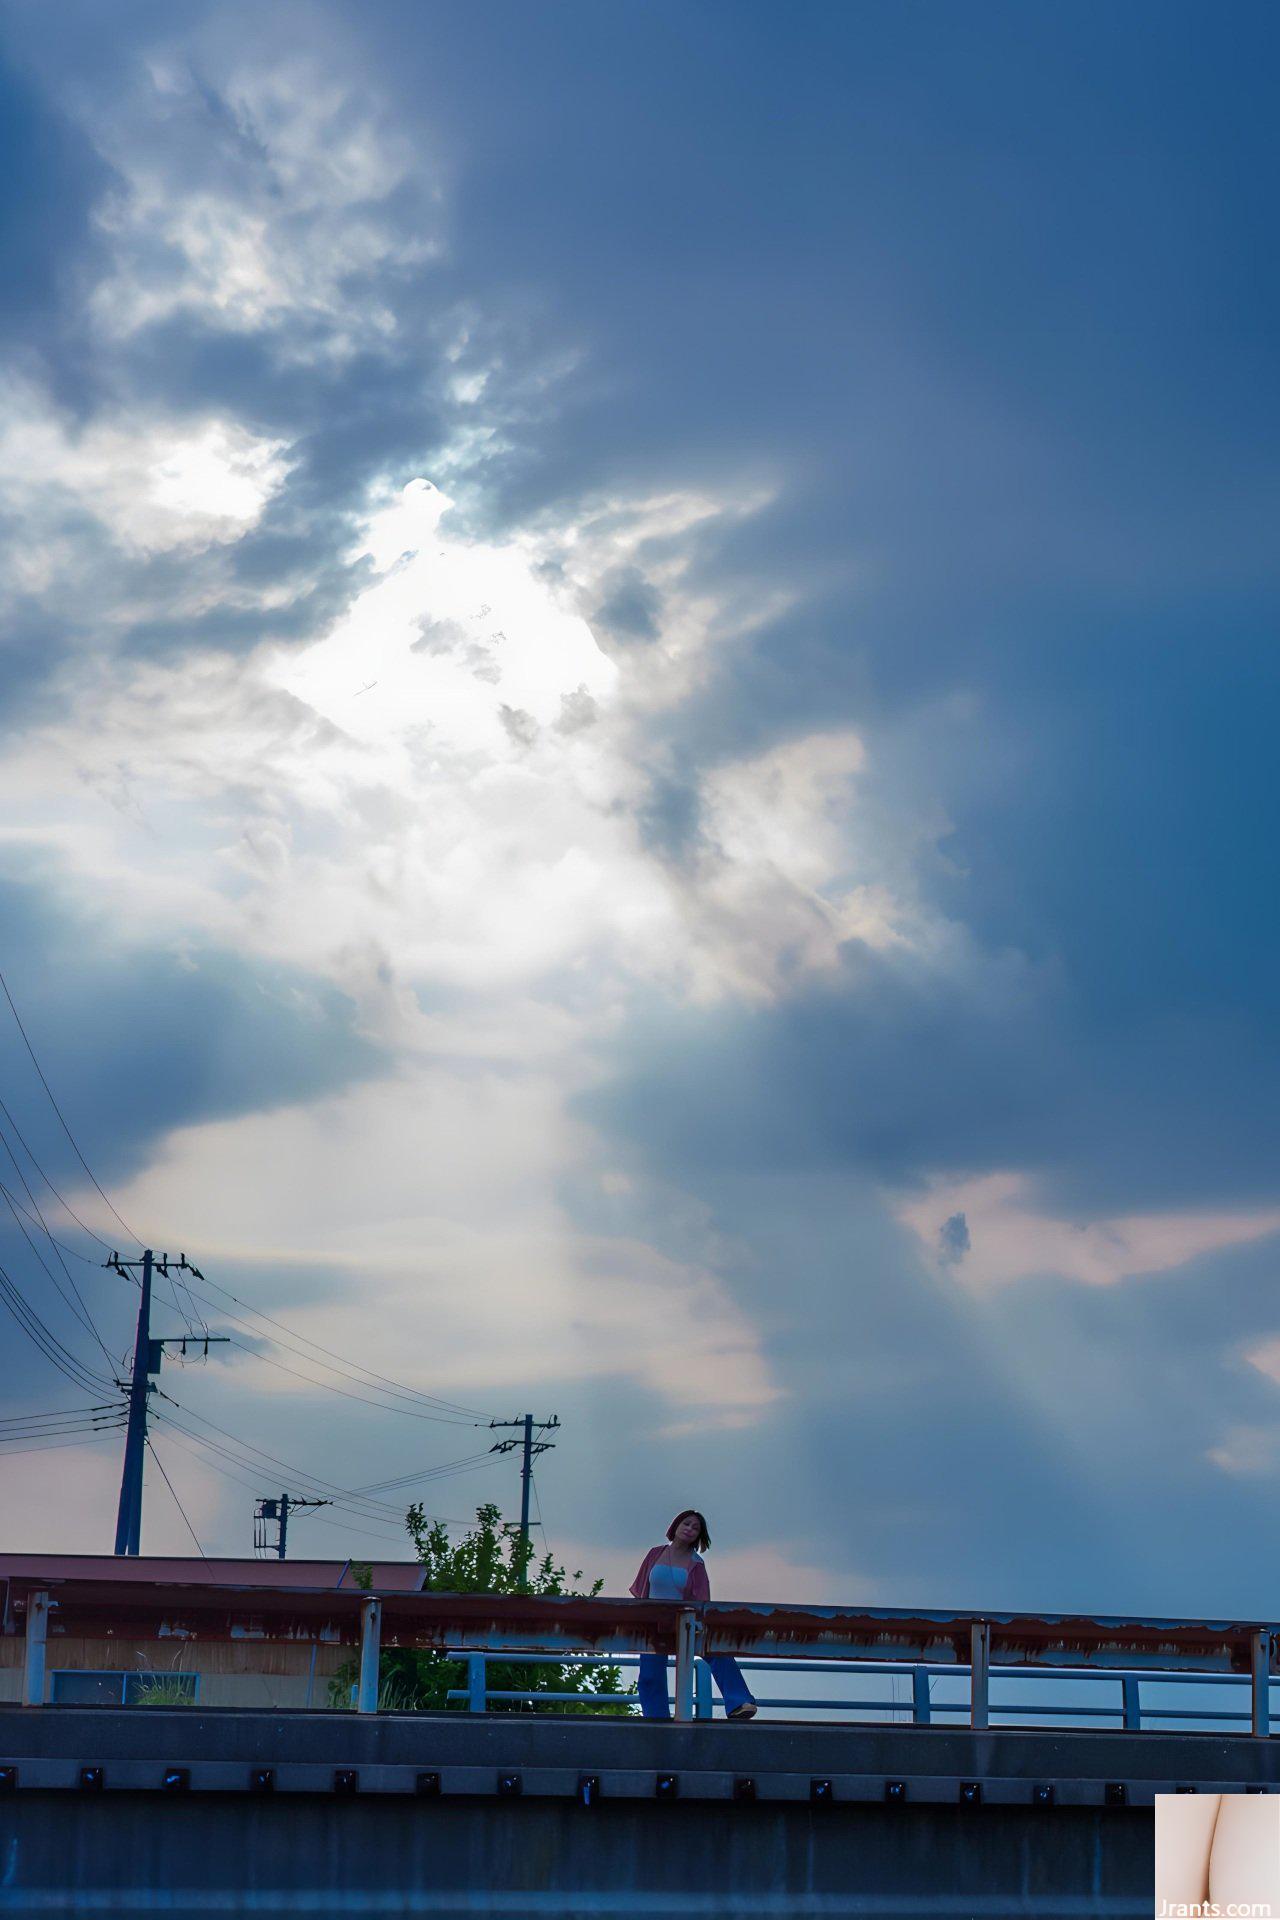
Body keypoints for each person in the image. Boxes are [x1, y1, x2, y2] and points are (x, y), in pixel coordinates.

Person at [630, 1509, 757, 1720]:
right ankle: (656, 1719)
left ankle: (740, 1702)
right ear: (676, 1526)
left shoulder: (696, 1564)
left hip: (684, 1622)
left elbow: (701, 1600)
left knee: (716, 1651)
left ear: (699, 1536)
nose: (689, 1529)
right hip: (653, 1622)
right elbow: (641, 1589)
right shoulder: (655, 1554)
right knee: (650, 1675)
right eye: (686, 1524)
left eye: (695, 1528)